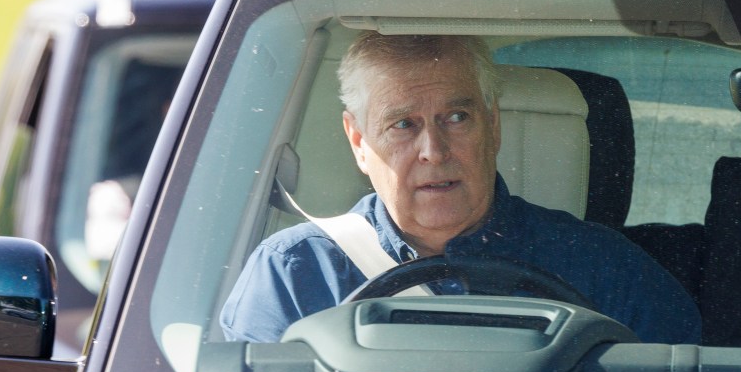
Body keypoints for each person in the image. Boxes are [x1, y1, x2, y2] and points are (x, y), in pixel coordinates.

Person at [221, 32, 701, 344]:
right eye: (403, 124)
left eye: (456, 117)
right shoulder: (293, 273)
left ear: (493, 125)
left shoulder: (606, 270)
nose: (434, 149)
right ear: (359, 142)